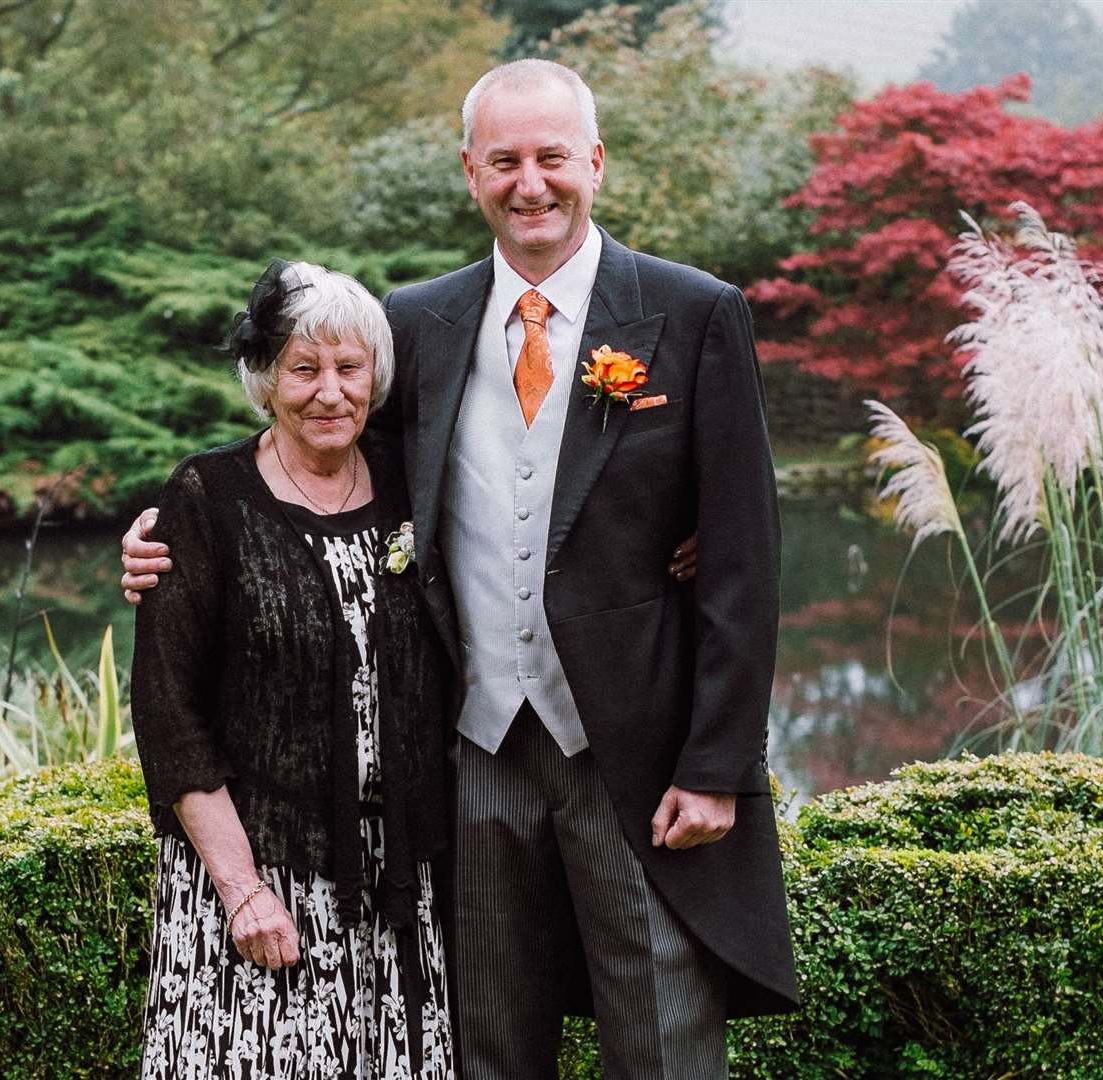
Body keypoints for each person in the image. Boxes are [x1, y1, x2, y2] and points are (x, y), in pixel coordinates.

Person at [126, 59, 797, 1078]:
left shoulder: (693, 314)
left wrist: (716, 769)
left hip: (634, 753)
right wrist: (170, 533)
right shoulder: (417, 324)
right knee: (480, 1038)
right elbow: (330, 457)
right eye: (505, 161)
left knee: (660, 1034)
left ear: (596, 163)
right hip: (467, 748)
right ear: (470, 173)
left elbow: (745, 559)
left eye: (551, 159)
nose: (531, 183)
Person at [130, 259, 455, 1078]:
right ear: (264, 379)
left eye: (349, 368)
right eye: (302, 370)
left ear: (375, 376)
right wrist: (240, 889)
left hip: (399, 881)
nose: (329, 391)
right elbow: (167, 711)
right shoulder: (210, 495)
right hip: (260, 875)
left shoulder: (416, 480)